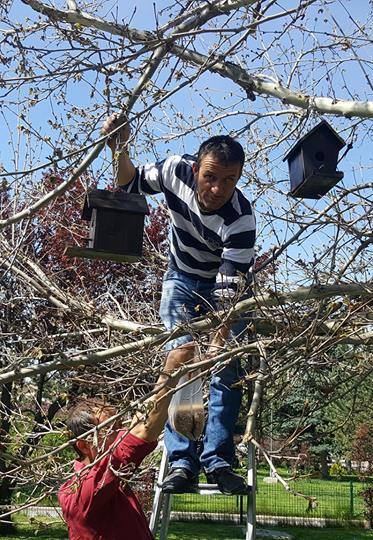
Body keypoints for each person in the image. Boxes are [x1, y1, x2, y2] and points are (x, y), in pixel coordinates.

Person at [100, 113, 256, 496]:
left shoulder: (241, 220)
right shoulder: (173, 171)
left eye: (229, 180)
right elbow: (129, 181)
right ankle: (182, 461)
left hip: (226, 289)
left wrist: (219, 344)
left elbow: (229, 294)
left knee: (225, 369)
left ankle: (218, 460)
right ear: (195, 168)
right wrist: (119, 146)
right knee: (181, 362)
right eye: (211, 177)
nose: (218, 188)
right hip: (182, 279)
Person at [58, 353, 189, 539]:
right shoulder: (85, 491)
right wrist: (173, 367)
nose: (121, 434)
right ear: (84, 445)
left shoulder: (109, 480)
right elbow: (142, 431)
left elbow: (140, 427)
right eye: (110, 429)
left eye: (119, 426)